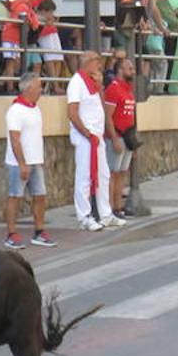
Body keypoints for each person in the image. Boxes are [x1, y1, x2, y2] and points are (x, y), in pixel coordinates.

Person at [67, 51, 123, 231]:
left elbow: (101, 103)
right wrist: (86, 133)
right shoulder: (76, 82)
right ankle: (84, 216)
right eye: (97, 62)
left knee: (103, 175)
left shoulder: (91, 82)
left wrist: (99, 86)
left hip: (96, 136)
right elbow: (72, 113)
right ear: (89, 62)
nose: (99, 66)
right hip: (86, 137)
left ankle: (105, 214)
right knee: (84, 177)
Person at [3, 72, 55, 249]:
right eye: (39, 86)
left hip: (35, 160)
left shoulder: (35, 108)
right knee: (15, 196)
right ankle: (11, 233)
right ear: (29, 88)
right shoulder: (15, 110)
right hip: (19, 163)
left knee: (40, 195)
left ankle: (39, 231)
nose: (41, 89)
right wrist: (22, 163)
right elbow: (15, 139)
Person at [103, 56, 138, 218]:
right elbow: (108, 116)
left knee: (122, 172)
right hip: (116, 137)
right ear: (120, 70)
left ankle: (118, 206)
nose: (132, 71)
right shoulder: (113, 89)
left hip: (127, 137)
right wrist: (114, 138)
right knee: (113, 173)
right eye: (129, 68)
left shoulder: (128, 89)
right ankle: (110, 208)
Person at [1, 0, 40, 91]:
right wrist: (32, 21)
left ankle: (3, 84)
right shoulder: (22, 6)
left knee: (15, 62)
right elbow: (21, 19)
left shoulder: (26, 6)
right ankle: (9, 87)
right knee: (11, 62)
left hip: (16, 38)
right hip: (10, 36)